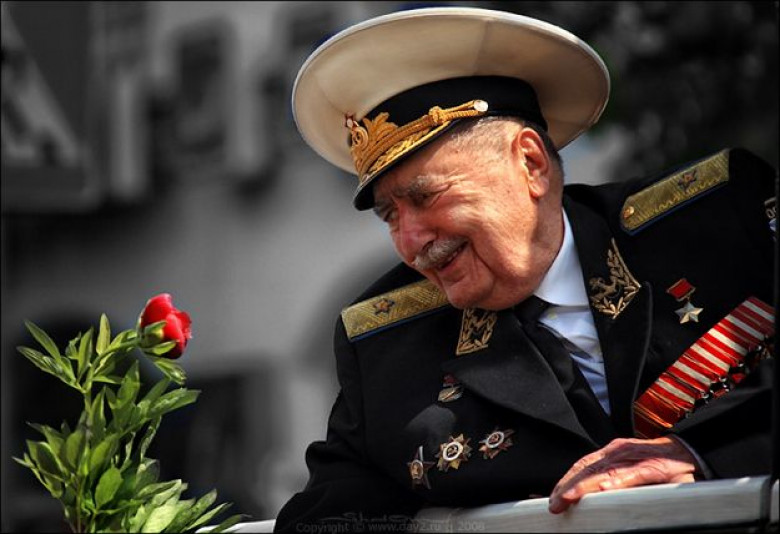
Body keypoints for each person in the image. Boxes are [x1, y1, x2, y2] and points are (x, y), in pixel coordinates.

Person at [275, 6, 777, 532]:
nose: (409, 244)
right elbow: (326, 516)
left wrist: (704, 454)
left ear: (531, 164)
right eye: (390, 216)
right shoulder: (385, 347)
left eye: (424, 197)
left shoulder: (724, 215)